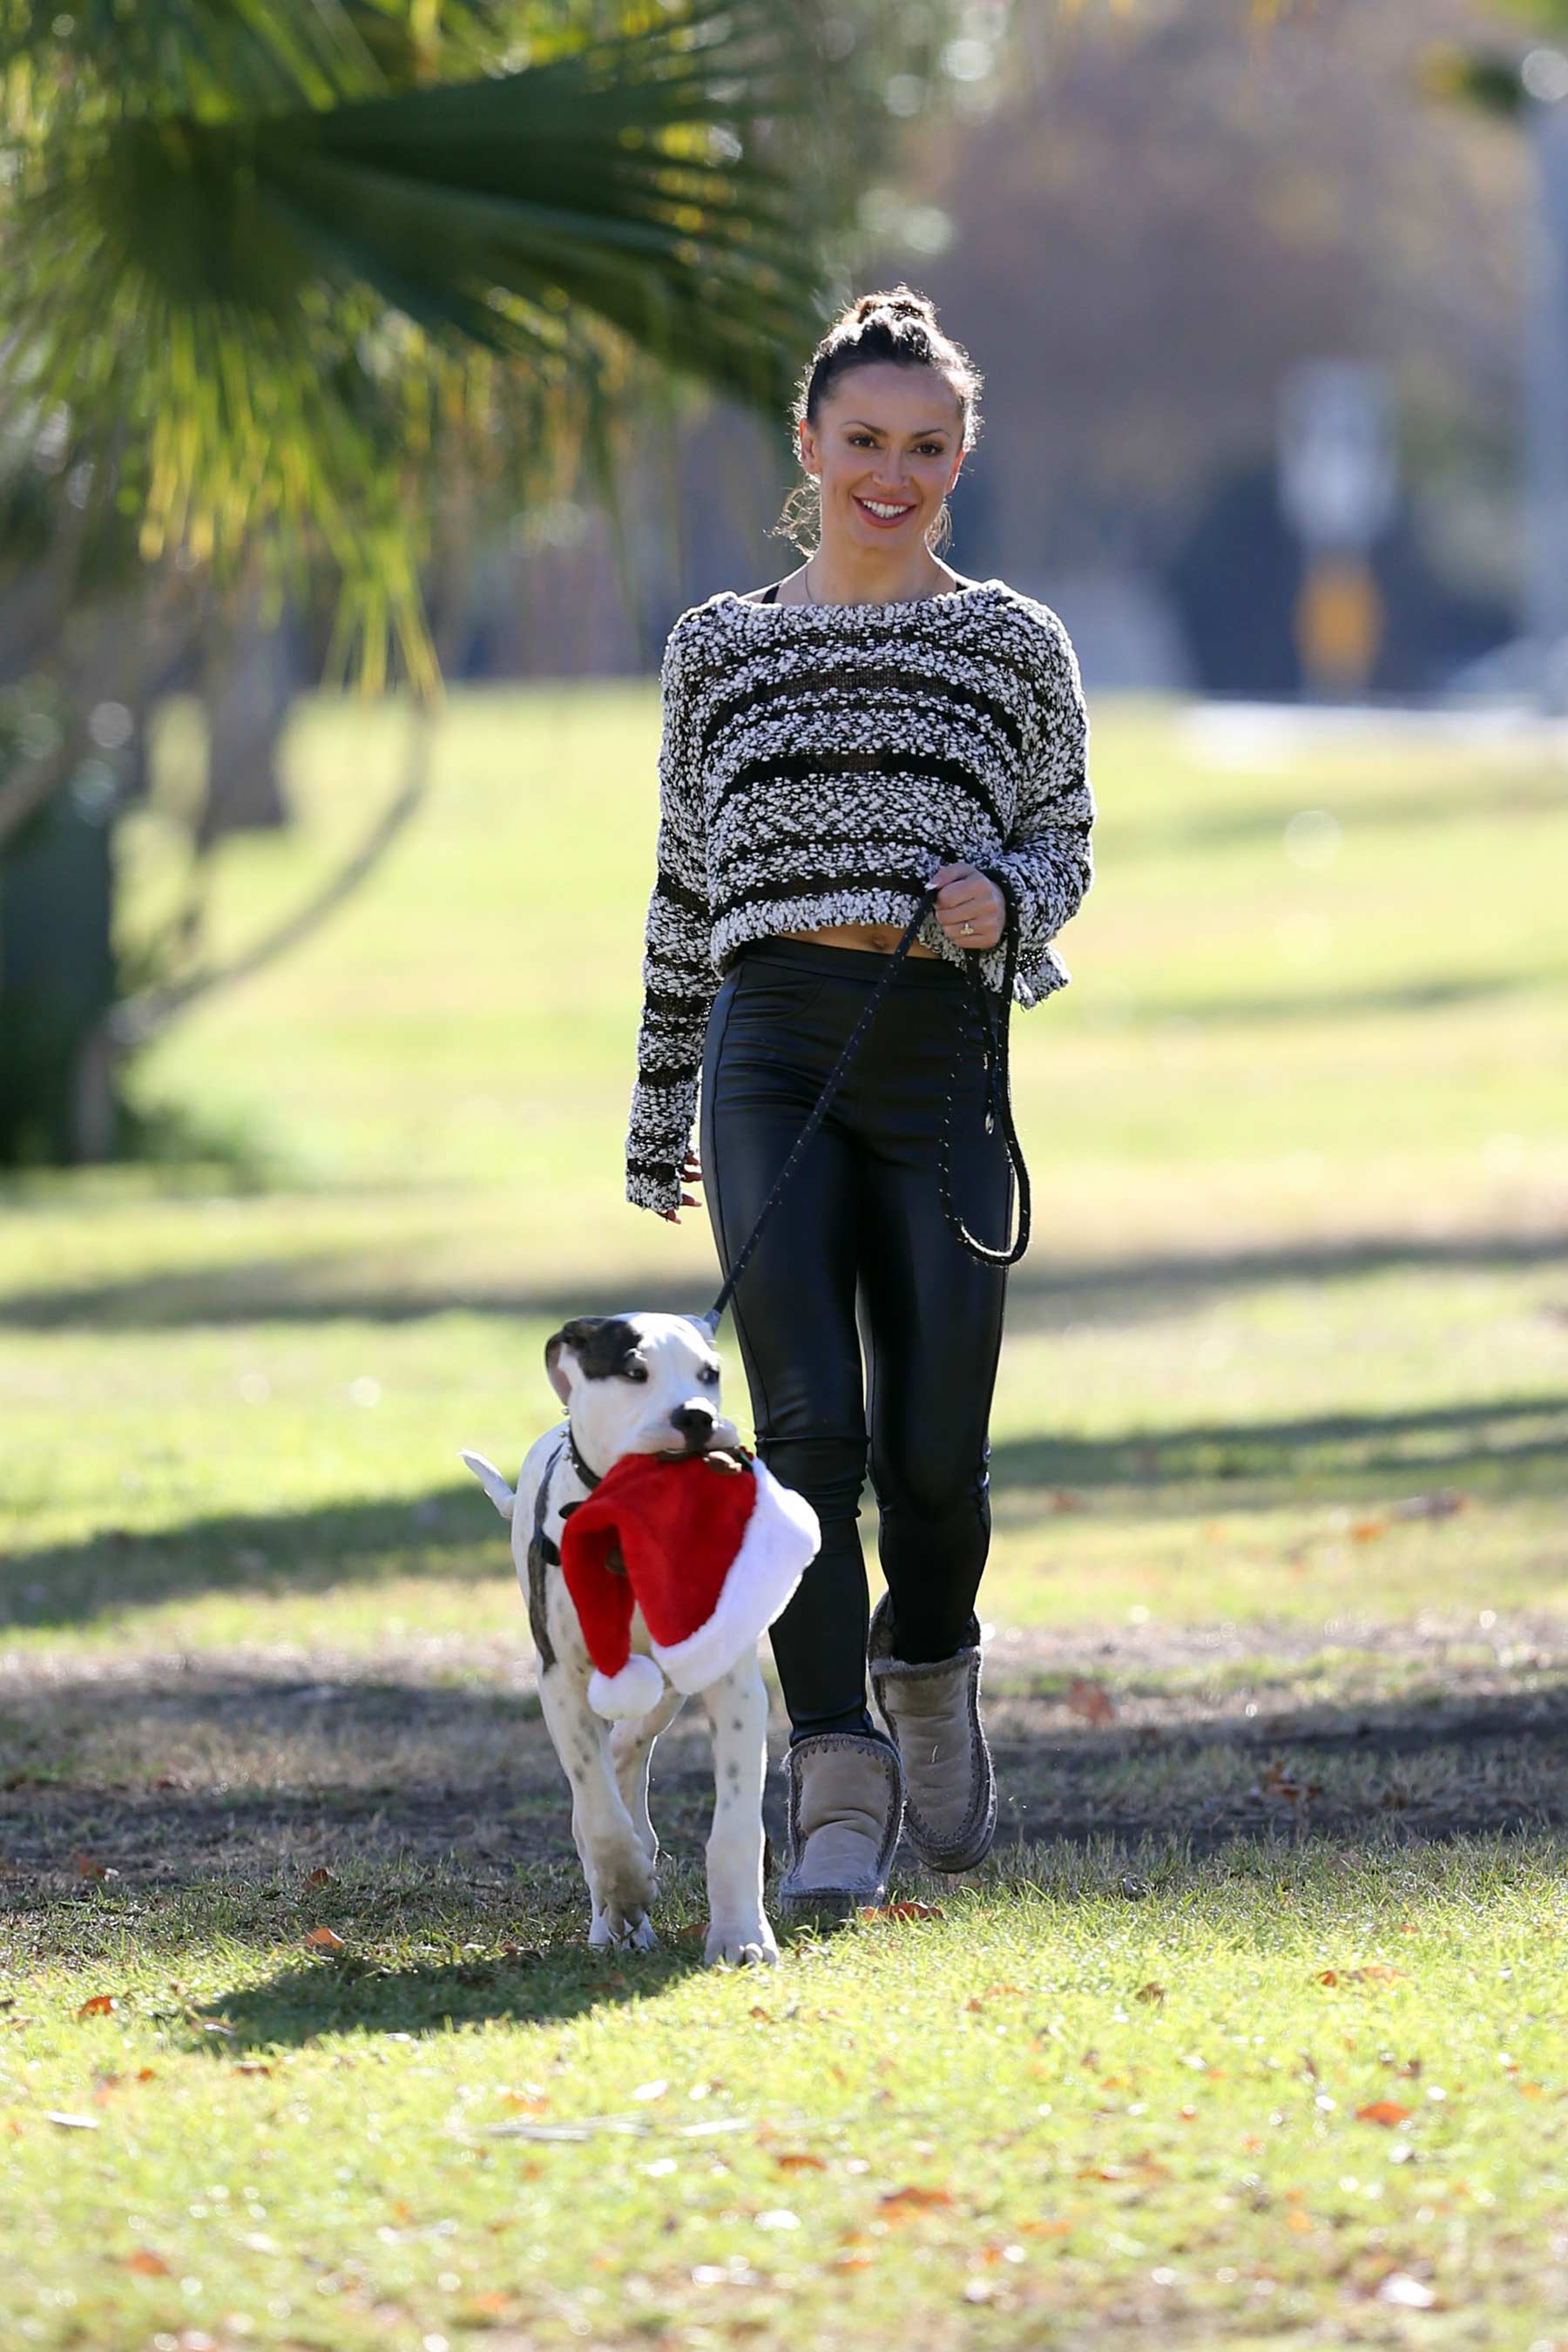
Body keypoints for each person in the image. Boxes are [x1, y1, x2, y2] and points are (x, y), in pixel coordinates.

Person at [624, 286, 1096, 1913]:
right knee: (806, 1427)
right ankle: (834, 1766)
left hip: (937, 1057)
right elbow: (687, 893)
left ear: (961, 458)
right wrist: (656, 1104)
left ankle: (934, 1668)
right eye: (864, 442)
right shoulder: (722, 649)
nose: (891, 474)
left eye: (927, 447)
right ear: (809, 445)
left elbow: (1066, 842)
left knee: (937, 1451)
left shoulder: (1014, 643)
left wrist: (1006, 899)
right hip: (769, 1054)